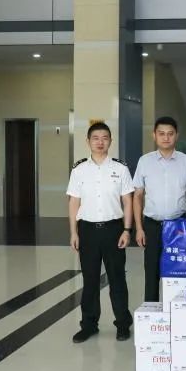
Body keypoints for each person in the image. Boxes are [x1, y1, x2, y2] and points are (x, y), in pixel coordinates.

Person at [66, 122, 134, 343]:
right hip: (87, 231)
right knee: (90, 280)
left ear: (110, 141)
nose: (100, 142)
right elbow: (73, 202)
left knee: (117, 279)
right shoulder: (79, 170)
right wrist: (73, 232)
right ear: (88, 141)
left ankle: (122, 324)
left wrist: (127, 230)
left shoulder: (120, 169)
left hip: (114, 229)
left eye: (105, 138)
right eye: (95, 138)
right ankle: (89, 325)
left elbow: (128, 201)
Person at [133, 116, 186, 302]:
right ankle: (152, 310)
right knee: (151, 271)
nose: (166, 138)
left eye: (170, 134)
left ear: (176, 135)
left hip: (179, 226)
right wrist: (139, 229)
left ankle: (179, 310)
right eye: (161, 134)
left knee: (180, 271)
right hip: (152, 225)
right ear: (154, 135)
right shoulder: (145, 161)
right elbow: (137, 196)